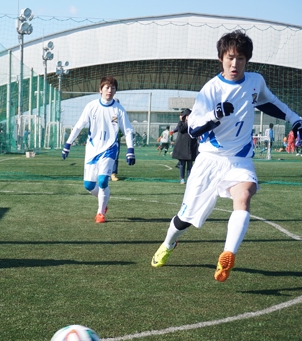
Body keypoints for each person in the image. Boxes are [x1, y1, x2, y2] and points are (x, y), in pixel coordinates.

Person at [151, 30, 302, 282]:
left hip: (239, 159)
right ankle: (168, 244)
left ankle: (227, 256)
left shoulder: (255, 81)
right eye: (230, 57)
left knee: (244, 195)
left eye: (241, 58)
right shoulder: (211, 90)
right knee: (184, 219)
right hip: (209, 160)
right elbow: (193, 128)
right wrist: (216, 114)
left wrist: (295, 119)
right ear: (221, 58)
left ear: (247, 60)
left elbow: (268, 102)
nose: (235, 64)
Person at [61, 75, 135, 223]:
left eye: (113, 88)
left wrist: (130, 150)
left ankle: (100, 213)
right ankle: (104, 200)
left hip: (110, 149)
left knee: (102, 181)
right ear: (100, 89)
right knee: (88, 185)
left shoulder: (119, 110)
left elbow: (128, 130)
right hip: (92, 150)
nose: (110, 90)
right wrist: (68, 144)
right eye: (107, 87)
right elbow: (79, 125)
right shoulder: (91, 106)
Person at [171, 108, 198, 184]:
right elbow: (181, 129)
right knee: (182, 164)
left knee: (190, 165)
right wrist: (187, 123)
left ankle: (190, 178)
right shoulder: (181, 123)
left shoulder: (194, 124)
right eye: (188, 116)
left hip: (190, 146)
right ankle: (182, 178)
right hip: (182, 146)